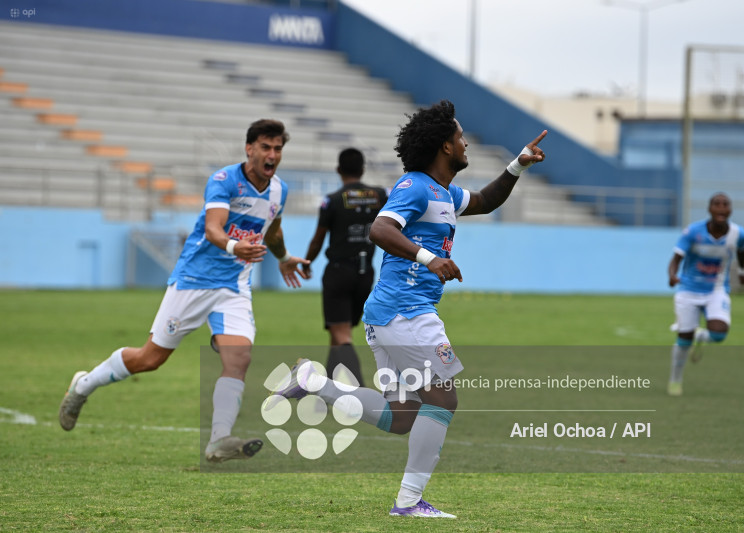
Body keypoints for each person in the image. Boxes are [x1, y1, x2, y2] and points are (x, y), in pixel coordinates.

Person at [274, 100, 547, 518]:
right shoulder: (415, 186)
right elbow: (380, 229)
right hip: (408, 313)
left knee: (402, 415)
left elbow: (487, 201)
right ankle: (408, 502)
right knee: (443, 400)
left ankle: (315, 383)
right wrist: (428, 258)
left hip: (390, 314)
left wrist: (518, 165)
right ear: (444, 147)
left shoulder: (445, 192)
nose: (464, 142)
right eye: (459, 137)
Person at [59, 119, 311, 462]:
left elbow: (274, 230)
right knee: (150, 359)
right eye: (265, 147)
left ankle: (219, 440)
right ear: (249, 149)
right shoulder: (224, 180)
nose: (272, 155)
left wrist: (282, 258)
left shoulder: (280, 190)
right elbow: (213, 229)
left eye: (278, 148)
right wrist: (237, 247)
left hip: (233, 287)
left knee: (239, 359)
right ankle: (83, 386)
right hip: (194, 280)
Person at [301, 148, 387, 385]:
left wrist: (307, 262)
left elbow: (318, 238)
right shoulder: (380, 195)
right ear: (362, 169)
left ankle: (360, 394)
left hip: (338, 273)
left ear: (339, 170)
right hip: (365, 275)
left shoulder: (332, 201)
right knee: (337, 334)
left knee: (342, 335)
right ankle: (325, 387)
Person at [666, 192, 744, 396]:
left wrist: (742, 272)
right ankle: (675, 381)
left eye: (725, 204)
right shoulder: (693, 232)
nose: (721, 208)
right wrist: (672, 275)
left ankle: (700, 335)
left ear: (730, 209)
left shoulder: (738, 233)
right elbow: (676, 257)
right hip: (689, 290)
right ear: (709, 209)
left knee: (719, 334)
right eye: (716, 204)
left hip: (716, 289)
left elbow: (742, 250)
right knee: (683, 339)